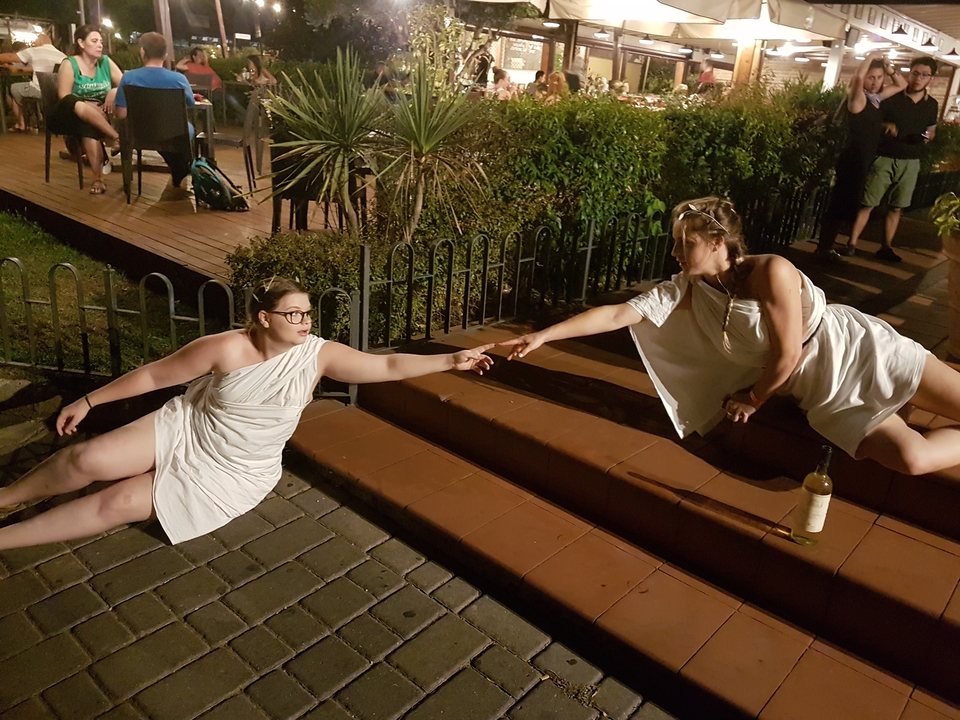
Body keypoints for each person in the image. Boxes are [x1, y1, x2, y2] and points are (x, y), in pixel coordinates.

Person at [0, 278, 495, 550]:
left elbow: (385, 364)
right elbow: (155, 376)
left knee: (120, 503)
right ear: (264, 318)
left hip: (237, 467)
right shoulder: (226, 348)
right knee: (86, 460)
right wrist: (89, 401)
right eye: (294, 314)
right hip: (189, 429)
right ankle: (8, 497)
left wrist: (450, 360)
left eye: (307, 313)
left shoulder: (318, 355)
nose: (305, 322)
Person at [500, 197, 960, 477]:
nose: (676, 252)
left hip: (860, 352)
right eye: (676, 243)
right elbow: (620, 312)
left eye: (686, 243)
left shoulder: (771, 270)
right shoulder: (689, 289)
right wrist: (544, 335)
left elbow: (786, 353)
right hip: (824, 392)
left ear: (718, 241)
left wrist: (753, 399)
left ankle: (907, 392)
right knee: (913, 459)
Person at [846, 57, 940, 262]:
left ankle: (886, 246)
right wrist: (886, 126)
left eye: (924, 75)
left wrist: (924, 137)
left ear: (931, 78)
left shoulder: (931, 104)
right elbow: (869, 118)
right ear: (909, 73)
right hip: (885, 157)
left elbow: (931, 131)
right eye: (915, 73)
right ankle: (851, 243)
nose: (918, 78)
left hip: (911, 160)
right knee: (868, 203)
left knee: (897, 206)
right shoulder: (892, 96)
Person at [816, 54, 906, 261]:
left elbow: (901, 84)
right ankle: (824, 249)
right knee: (841, 204)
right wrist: (869, 58)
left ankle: (826, 247)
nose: (875, 82)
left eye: (879, 77)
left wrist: (887, 67)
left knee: (847, 204)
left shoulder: (876, 100)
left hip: (862, 160)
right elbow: (856, 80)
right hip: (852, 159)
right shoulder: (858, 99)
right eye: (871, 77)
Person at [114, 33, 195, 189]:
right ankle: (182, 167)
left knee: (155, 130)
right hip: (174, 132)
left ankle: (177, 168)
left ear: (142, 52)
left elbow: (121, 114)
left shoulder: (128, 77)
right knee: (187, 129)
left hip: (139, 133)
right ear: (165, 54)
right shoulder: (179, 79)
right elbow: (190, 104)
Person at [49, 25, 123, 195]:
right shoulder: (70, 63)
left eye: (101, 42)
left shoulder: (105, 62)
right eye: (94, 41)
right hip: (69, 112)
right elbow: (64, 96)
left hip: (96, 116)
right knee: (78, 106)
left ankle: (98, 180)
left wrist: (113, 91)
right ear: (81, 43)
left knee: (88, 128)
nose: (100, 45)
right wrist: (87, 104)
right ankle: (115, 136)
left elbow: (125, 84)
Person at [0, 34, 66, 132]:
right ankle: (39, 119)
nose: (34, 43)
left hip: (39, 90)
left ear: (40, 41)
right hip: (58, 92)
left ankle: (21, 123)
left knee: (14, 88)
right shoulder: (62, 56)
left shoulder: (35, 51)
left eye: (35, 41)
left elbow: (9, 57)